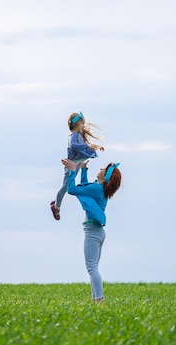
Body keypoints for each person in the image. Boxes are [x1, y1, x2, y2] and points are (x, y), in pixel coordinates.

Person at [61, 158, 122, 303]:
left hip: (93, 232)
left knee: (91, 267)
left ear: (105, 177)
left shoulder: (96, 189)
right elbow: (84, 187)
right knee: (93, 267)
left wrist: (71, 170)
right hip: (97, 232)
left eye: (104, 169)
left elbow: (72, 190)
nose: (101, 169)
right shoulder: (98, 188)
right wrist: (83, 170)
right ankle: (95, 299)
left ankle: (99, 299)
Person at [50, 111, 104, 220]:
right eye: (82, 123)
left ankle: (57, 204)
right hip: (72, 164)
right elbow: (74, 146)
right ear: (76, 124)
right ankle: (56, 206)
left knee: (76, 184)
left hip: (79, 162)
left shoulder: (79, 136)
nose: (84, 125)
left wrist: (95, 147)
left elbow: (84, 147)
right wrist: (87, 146)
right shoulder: (73, 136)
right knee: (66, 187)